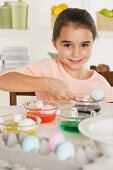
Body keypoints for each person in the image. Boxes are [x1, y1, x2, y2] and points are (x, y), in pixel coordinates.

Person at [0, 8, 113, 102]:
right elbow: (3, 81)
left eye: (84, 45)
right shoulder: (47, 69)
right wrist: (48, 84)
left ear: (93, 42)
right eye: (68, 45)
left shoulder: (100, 83)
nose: (76, 54)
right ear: (54, 43)